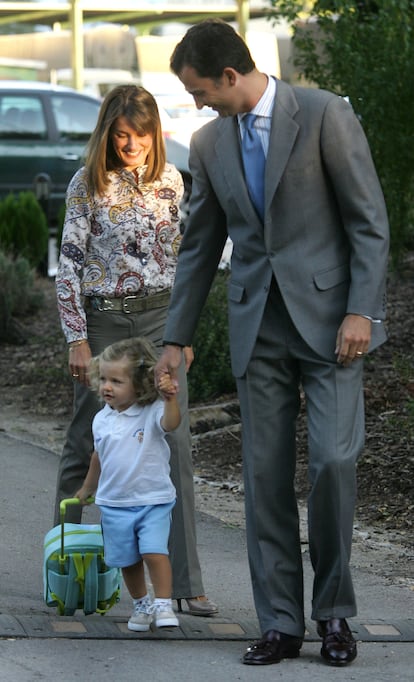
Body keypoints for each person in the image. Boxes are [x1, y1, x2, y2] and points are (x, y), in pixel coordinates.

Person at [154, 19, 390, 666]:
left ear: (231, 75)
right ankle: (281, 623)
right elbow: (201, 246)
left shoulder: (323, 115)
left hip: (333, 326)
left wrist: (361, 311)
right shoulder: (207, 143)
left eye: (201, 91)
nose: (197, 104)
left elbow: (369, 224)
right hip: (255, 326)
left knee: (334, 467)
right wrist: (175, 339)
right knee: (263, 479)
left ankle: (335, 615)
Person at [54, 84, 217, 617]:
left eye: (141, 136)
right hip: (102, 320)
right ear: (108, 133)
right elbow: (69, 266)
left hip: (159, 317)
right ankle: (63, 562)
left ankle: (186, 583)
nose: (132, 145)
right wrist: (77, 339)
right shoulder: (87, 184)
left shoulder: (171, 181)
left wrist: (183, 334)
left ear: (155, 135)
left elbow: (186, 261)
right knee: (88, 435)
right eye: (122, 135)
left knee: (174, 441)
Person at [76, 337, 181, 631]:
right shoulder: (101, 419)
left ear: (140, 383)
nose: (107, 387)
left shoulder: (152, 411)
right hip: (114, 503)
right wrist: (88, 487)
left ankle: (163, 603)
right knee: (127, 559)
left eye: (117, 381)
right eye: (104, 379)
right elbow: (99, 455)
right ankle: (142, 604)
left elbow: (172, 424)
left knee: (153, 550)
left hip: (153, 499)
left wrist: (171, 399)